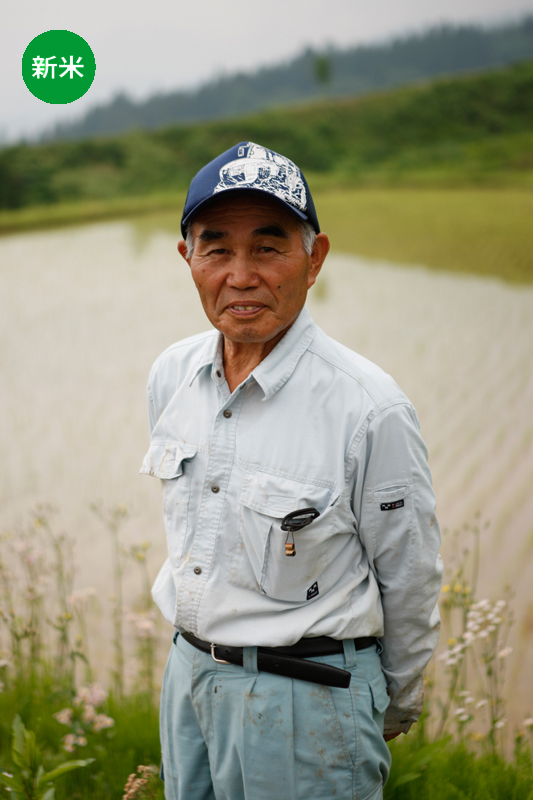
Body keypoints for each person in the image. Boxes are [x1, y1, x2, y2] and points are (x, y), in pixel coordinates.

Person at [141, 141, 443, 800]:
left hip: (308, 702)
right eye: (216, 248)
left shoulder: (368, 407)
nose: (240, 274)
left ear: (315, 259)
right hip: (188, 680)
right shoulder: (172, 375)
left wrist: (390, 705)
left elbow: (410, 576)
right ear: (187, 259)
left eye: (268, 247)